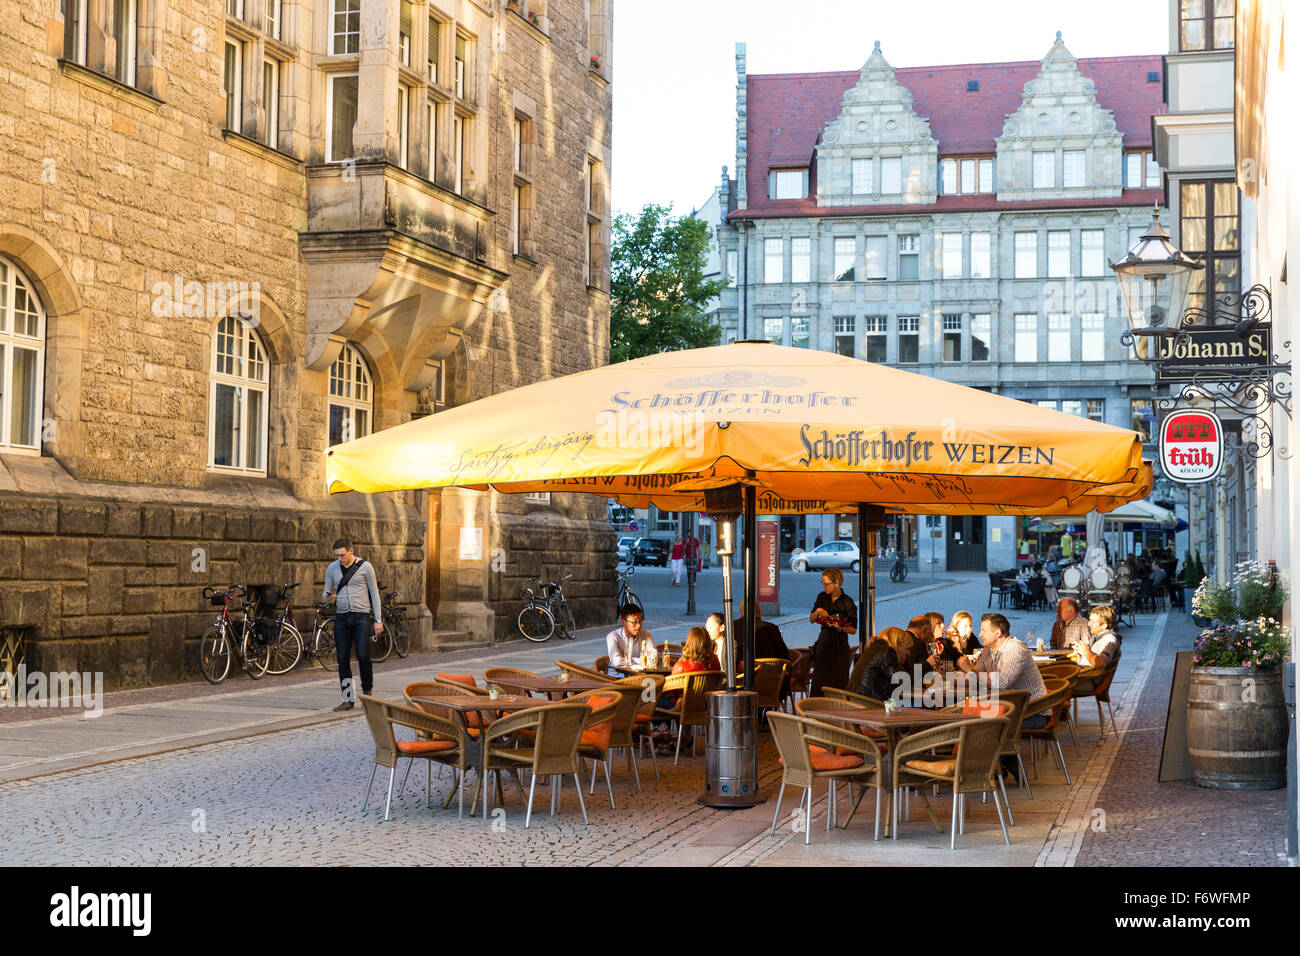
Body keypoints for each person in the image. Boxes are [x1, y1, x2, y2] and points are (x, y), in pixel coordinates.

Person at [955, 613, 1047, 781]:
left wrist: (969, 671)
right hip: (1007, 709)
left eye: (983, 630)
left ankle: (983, 769)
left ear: (997, 633)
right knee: (966, 715)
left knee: (981, 723)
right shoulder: (989, 650)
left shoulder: (1015, 649)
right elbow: (978, 673)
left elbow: (1002, 681)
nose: (980, 634)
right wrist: (970, 671)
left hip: (1032, 712)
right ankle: (1000, 763)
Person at [322, 537, 383, 712]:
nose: (339, 559)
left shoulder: (366, 567)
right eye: (337, 556)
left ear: (351, 551)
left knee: (363, 655)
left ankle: (367, 693)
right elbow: (325, 592)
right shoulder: (332, 568)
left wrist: (378, 620)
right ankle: (348, 699)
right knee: (342, 659)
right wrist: (328, 596)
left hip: (361, 617)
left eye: (342, 555)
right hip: (342, 618)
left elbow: (374, 594)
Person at [809, 568, 856, 695]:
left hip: (839, 645)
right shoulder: (822, 597)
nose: (824, 586)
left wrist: (840, 627)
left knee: (837, 683)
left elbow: (853, 630)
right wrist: (818, 611)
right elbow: (811, 619)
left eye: (827, 583)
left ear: (837, 583)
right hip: (824, 642)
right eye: (822, 582)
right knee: (819, 681)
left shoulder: (847, 602)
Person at [1069, 604, 1121, 695]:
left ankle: (1061, 708)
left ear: (1104, 625)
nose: (1089, 624)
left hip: (1087, 681)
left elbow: (1100, 663)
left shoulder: (1109, 640)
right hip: (1080, 677)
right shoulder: (1098, 637)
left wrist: (1086, 652)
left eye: (1092, 622)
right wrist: (1081, 652)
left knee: (1051, 685)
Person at [848, 626, 910, 700]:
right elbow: (902, 679)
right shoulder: (887, 651)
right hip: (867, 703)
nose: (909, 653)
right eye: (908, 648)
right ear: (898, 644)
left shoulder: (875, 648)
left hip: (855, 698)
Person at [606, 604, 655, 669]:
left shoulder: (646, 635)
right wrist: (642, 660)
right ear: (623, 622)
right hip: (618, 676)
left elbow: (653, 659)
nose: (638, 626)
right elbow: (617, 661)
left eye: (640, 621)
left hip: (640, 675)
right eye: (634, 622)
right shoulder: (613, 636)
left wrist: (628, 659)